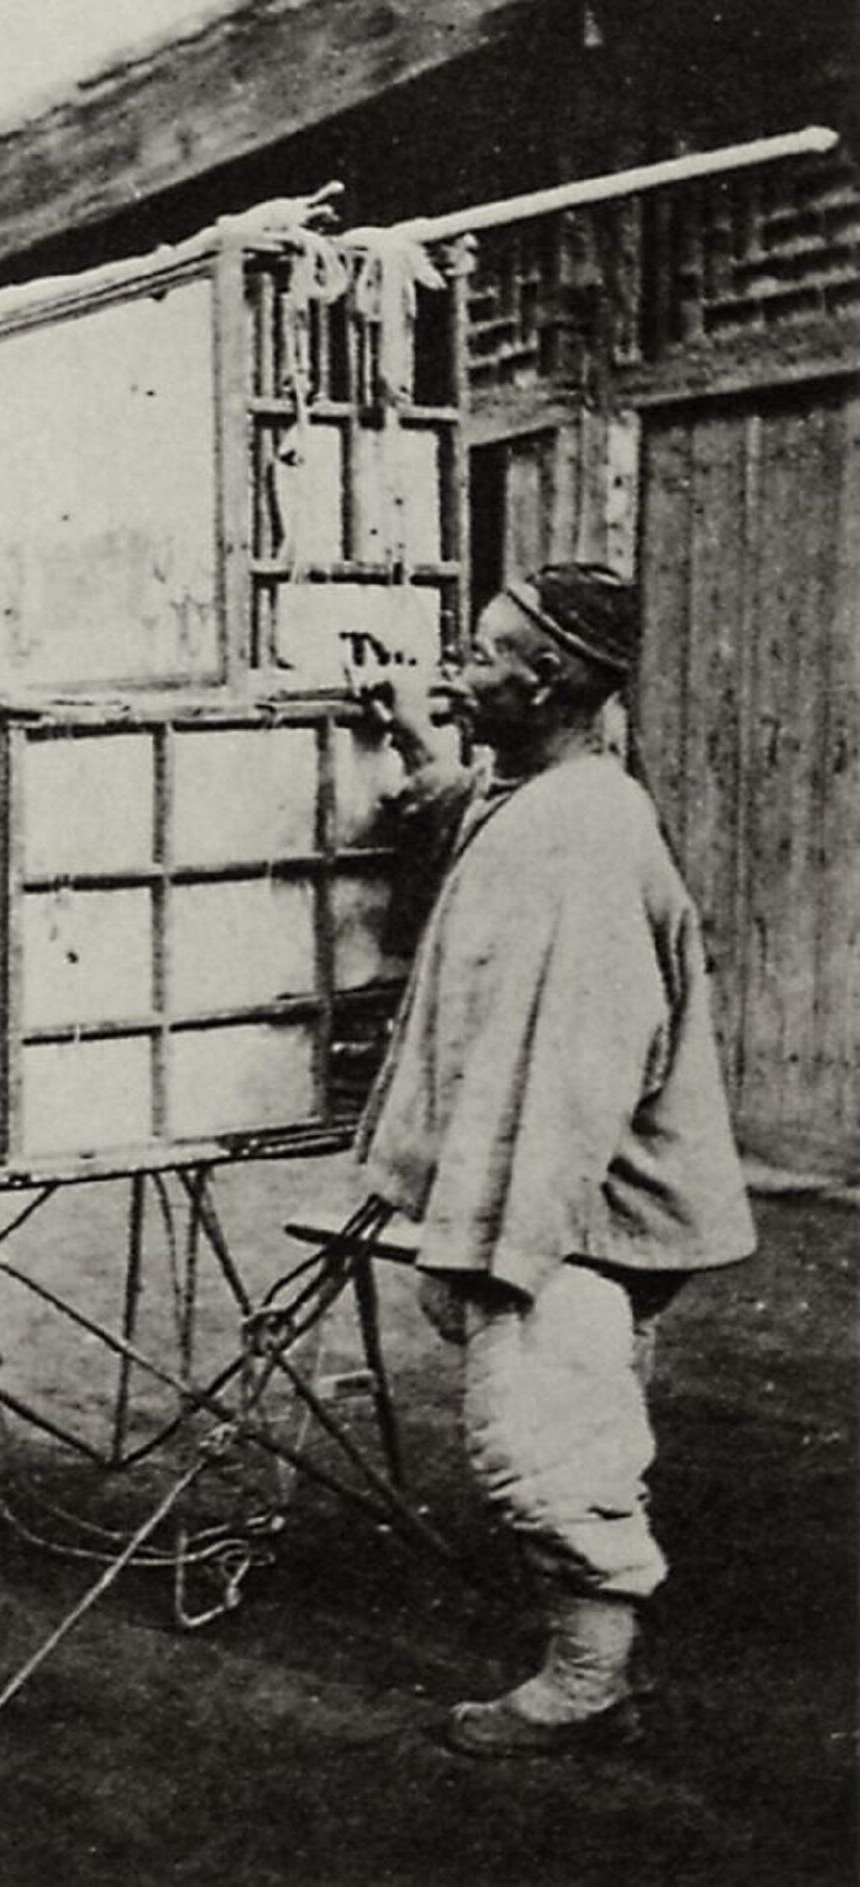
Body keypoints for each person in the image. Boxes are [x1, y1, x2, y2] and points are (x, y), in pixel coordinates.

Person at [356, 563, 757, 1757]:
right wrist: (422, 742)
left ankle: (590, 1680)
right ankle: (593, 1666)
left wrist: (502, 1252)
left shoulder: (584, 836)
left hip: (575, 1207)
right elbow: (469, 808)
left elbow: (570, 1081)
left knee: (543, 1440)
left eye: (481, 658)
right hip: (558, 1200)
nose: (457, 674)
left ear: (554, 677)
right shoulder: (549, 792)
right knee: (549, 1421)